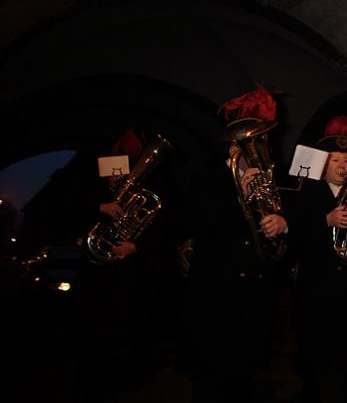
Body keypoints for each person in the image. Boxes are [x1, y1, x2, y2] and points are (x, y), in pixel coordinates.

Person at [180, 85, 289, 403]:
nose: (252, 148)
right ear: (231, 146)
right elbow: (194, 222)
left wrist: (282, 224)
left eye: (259, 141)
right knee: (210, 379)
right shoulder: (209, 178)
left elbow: (286, 237)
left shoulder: (273, 180)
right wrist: (237, 193)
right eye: (244, 142)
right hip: (215, 293)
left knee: (244, 376)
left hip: (254, 294)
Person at [74, 127, 176, 402]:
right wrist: (100, 207)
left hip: (129, 275)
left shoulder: (153, 189)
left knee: (121, 335)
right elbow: (69, 210)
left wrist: (136, 246)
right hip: (95, 272)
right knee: (90, 336)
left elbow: (165, 234)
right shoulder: (91, 183)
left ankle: (119, 381)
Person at [291, 112, 347, 402]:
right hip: (319, 289)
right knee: (322, 359)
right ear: (323, 164)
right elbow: (292, 237)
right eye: (335, 160)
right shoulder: (305, 193)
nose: (341, 165)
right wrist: (325, 220)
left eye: (345, 160)